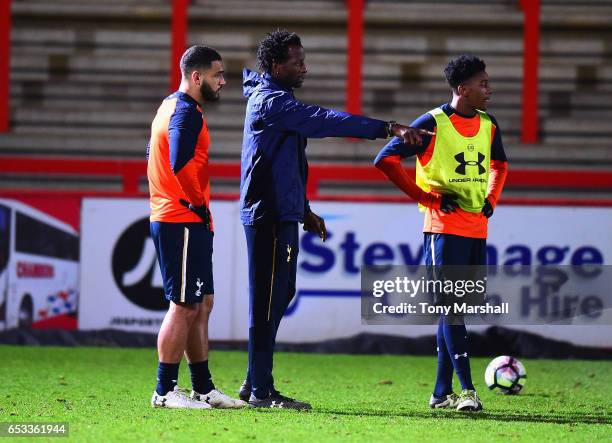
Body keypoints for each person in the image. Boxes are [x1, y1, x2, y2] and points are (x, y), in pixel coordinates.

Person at [239, 29, 431, 409]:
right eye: (297, 62)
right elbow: (325, 120)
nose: (304, 67)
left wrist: (305, 210)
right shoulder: (270, 103)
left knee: (279, 295)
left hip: (283, 212)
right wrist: (388, 128)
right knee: (268, 301)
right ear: (276, 66)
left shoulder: (278, 101)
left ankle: (253, 383)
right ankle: (261, 390)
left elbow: (287, 164)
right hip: (268, 215)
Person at [374, 54, 508, 412]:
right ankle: (467, 391)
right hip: (443, 228)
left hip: (476, 229)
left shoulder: (488, 124)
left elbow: (500, 165)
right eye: (483, 84)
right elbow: (385, 159)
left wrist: (491, 198)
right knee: (452, 308)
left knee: (455, 309)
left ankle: (439, 393)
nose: (489, 89)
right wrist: (426, 197)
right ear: (462, 89)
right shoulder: (431, 124)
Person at [147, 45, 245, 409]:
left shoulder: (169, 106)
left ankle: (203, 388)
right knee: (185, 304)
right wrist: (195, 202)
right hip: (182, 218)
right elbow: (177, 161)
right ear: (196, 76)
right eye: (218, 74)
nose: (223, 81)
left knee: (202, 303)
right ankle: (165, 391)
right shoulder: (186, 112)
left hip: (180, 217)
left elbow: (151, 155)